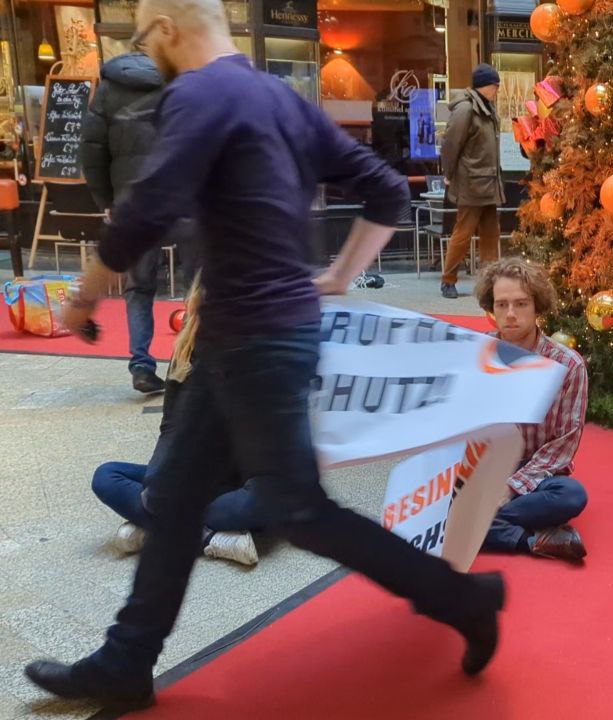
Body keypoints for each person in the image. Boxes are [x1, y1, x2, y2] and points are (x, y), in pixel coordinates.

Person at [27, 0, 505, 710]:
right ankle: (127, 661)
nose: (145, 51)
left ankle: (463, 599)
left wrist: (83, 295)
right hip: (253, 333)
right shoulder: (283, 99)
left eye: (143, 38)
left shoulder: (196, 91)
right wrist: (340, 275)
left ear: (166, 31)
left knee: (298, 511)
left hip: (254, 338)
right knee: (178, 499)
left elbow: (148, 204)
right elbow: (379, 188)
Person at [92, 278, 261, 566]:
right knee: (105, 475)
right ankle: (207, 538)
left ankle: (152, 527)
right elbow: (169, 428)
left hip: (234, 479)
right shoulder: (185, 354)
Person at [80, 51, 197, 395]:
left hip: (133, 205)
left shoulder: (109, 89)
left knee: (139, 288)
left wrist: (109, 202)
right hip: (185, 199)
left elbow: (92, 152)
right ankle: (190, 361)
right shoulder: (182, 80)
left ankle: (142, 365)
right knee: (197, 286)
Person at [475, 258, 589, 561]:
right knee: (435, 499)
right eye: (501, 305)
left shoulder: (568, 364)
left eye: (521, 304)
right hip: (486, 467)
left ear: (537, 306)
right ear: (491, 308)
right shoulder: (475, 353)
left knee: (572, 495)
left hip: (540, 474)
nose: (510, 314)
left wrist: (511, 488)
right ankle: (530, 540)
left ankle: (476, 525)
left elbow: (562, 447)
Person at [439, 63, 505, 300]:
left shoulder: (487, 108)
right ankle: (448, 280)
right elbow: (450, 144)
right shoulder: (466, 109)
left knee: (491, 233)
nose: (497, 91)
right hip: (471, 182)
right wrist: (448, 173)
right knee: (463, 232)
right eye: (496, 86)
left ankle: (489, 283)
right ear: (486, 86)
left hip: (488, 181)